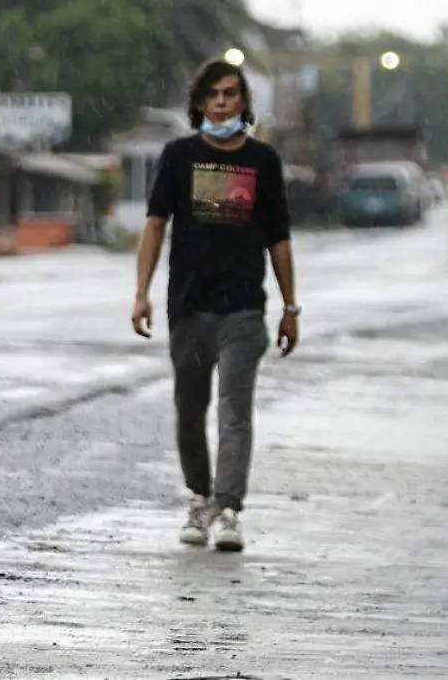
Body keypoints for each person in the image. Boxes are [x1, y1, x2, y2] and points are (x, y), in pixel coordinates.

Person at [131, 59, 298, 553]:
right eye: (213, 95)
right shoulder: (179, 156)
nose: (222, 102)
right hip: (189, 307)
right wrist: (140, 292)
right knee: (189, 409)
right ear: (200, 103)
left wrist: (291, 306)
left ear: (244, 102)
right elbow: (155, 225)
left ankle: (228, 509)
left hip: (244, 309)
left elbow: (280, 240)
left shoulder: (263, 162)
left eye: (230, 93)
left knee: (235, 412)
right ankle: (200, 497)